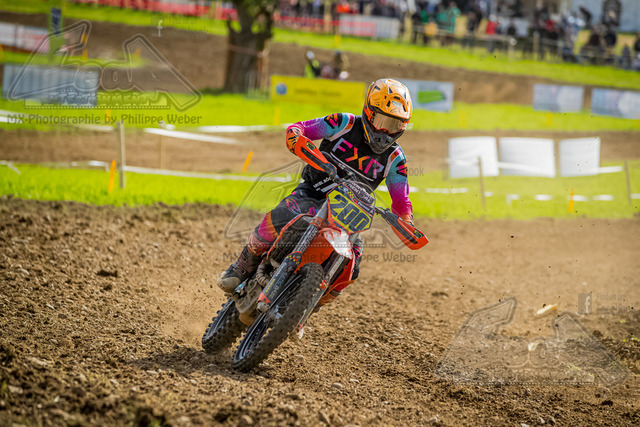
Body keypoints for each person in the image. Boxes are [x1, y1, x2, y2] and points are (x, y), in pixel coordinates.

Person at [217, 79, 416, 307]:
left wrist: (406, 221)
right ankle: (242, 266)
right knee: (281, 215)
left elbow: (401, 201)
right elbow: (301, 129)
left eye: (395, 126)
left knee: (353, 265)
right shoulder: (343, 123)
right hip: (314, 193)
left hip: (349, 215)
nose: (385, 132)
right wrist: (296, 135)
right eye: (382, 122)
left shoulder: (395, 159)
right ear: (369, 112)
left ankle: (310, 304)